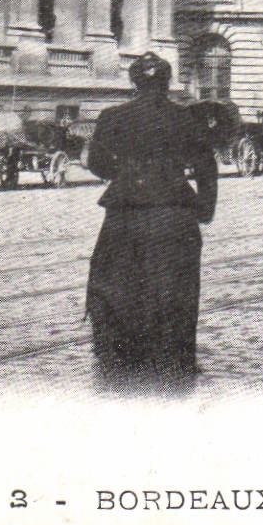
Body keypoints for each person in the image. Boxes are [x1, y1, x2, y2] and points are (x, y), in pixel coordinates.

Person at [84, 53, 218, 394]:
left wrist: (128, 175)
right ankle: (172, 357)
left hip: (126, 212)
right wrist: (205, 209)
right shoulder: (187, 117)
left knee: (118, 283)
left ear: (134, 82)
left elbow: (97, 162)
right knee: (177, 288)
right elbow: (206, 167)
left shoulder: (113, 116)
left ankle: (123, 355)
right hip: (175, 213)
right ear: (167, 82)